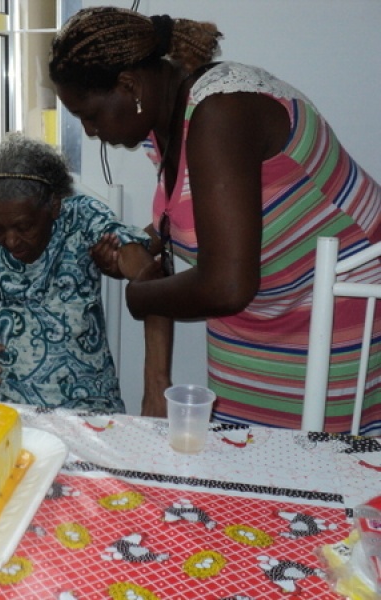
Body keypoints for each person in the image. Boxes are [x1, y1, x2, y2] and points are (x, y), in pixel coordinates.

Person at [49, 7, 381, 434]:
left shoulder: (221, 113)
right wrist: (142, 244)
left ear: (128, 85)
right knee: (247, 470)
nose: (90, 131)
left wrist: (139, 295)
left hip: (337, 309)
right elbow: (198, 218)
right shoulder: (163, 126)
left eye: (89, 115)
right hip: (255, 320)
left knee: (319, 479)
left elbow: (226, 285)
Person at [0, 133, 155, 413]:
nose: (11, 240)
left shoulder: (81, 217)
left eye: (23, 226)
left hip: (88, 406)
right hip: (8, 406)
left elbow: (142, 266)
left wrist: (119, 263)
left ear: (53, 206)